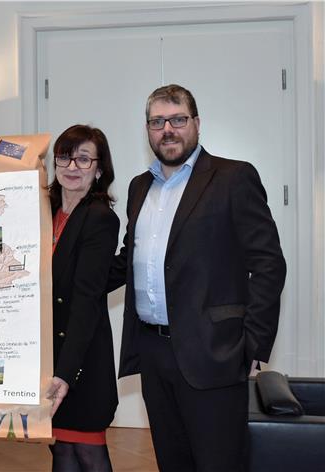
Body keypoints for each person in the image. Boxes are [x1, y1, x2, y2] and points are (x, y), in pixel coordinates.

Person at [109, 84, 286, 471]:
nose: (167, 130)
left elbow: (269, 263)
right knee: (172, 462)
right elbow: (130, 259)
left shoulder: (233, 177)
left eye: (177, 119)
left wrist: (253, 345)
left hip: (214, 352)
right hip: (153, 353)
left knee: (219, 463)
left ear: (197, 123)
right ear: (147, 129)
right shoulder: (139, 187)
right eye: (157, 122)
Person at [45, 125, 120, 471]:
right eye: (65, 157)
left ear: (99, 169)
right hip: (49, 354)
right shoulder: (43, 211)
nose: (72, 167)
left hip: (80, 358)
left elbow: (87, 299)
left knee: (88, 450)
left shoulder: (100, 219)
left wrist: (65, 372)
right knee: (62, 449)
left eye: (84, 159)